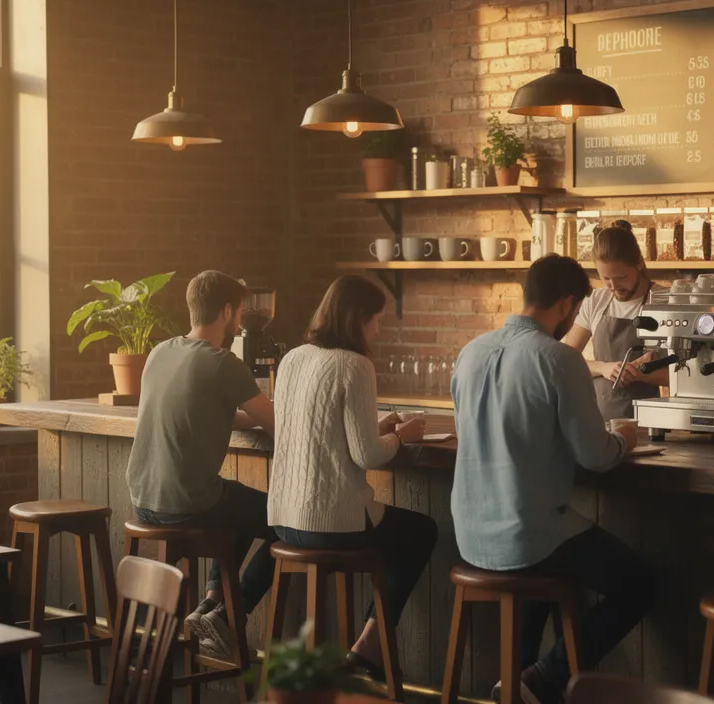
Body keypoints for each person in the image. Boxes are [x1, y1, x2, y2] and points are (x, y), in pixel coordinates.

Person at [451, 254, 654, 704]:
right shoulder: (559, 359)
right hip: (526, 537)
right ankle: (544, 677)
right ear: (566, 304)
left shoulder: (470, 353)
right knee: (639, 584)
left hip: (470, 536)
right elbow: (595, 456)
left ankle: (517, 686)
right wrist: (623, 438)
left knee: (544, 555)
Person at [266, 275, 436, 681]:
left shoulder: (293, 358)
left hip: (283, 520)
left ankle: (364, 648)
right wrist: (399, 435)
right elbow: (367, 454)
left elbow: (320, 429)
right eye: (376, 320)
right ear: (358, 318)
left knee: (408, 531)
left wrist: (377, 426)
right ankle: (369, 645)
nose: (378, 329)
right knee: (423, 531)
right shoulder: (355, 365)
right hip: (332, 525)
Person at [126, 270, 277, 659]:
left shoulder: (161, 352)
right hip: (186, 505)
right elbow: (277, 421)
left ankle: (210, 604)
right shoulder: (222, 362)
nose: (241, 319)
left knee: (239, 504)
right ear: (227, 311)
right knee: (288, 521)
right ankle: (229, 614)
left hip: (143, 501)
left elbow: (204, 408)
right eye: (240, 311)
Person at [561, 221, 667, 420]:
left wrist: (638, 374)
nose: (614, 286)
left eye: (621, 277)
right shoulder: (596, 301)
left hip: (648, 423)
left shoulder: (664, 301)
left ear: (639, 263)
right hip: (598, 422)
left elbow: (681, 376)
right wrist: (603, 367)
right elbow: (566, 362)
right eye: (606, 278)